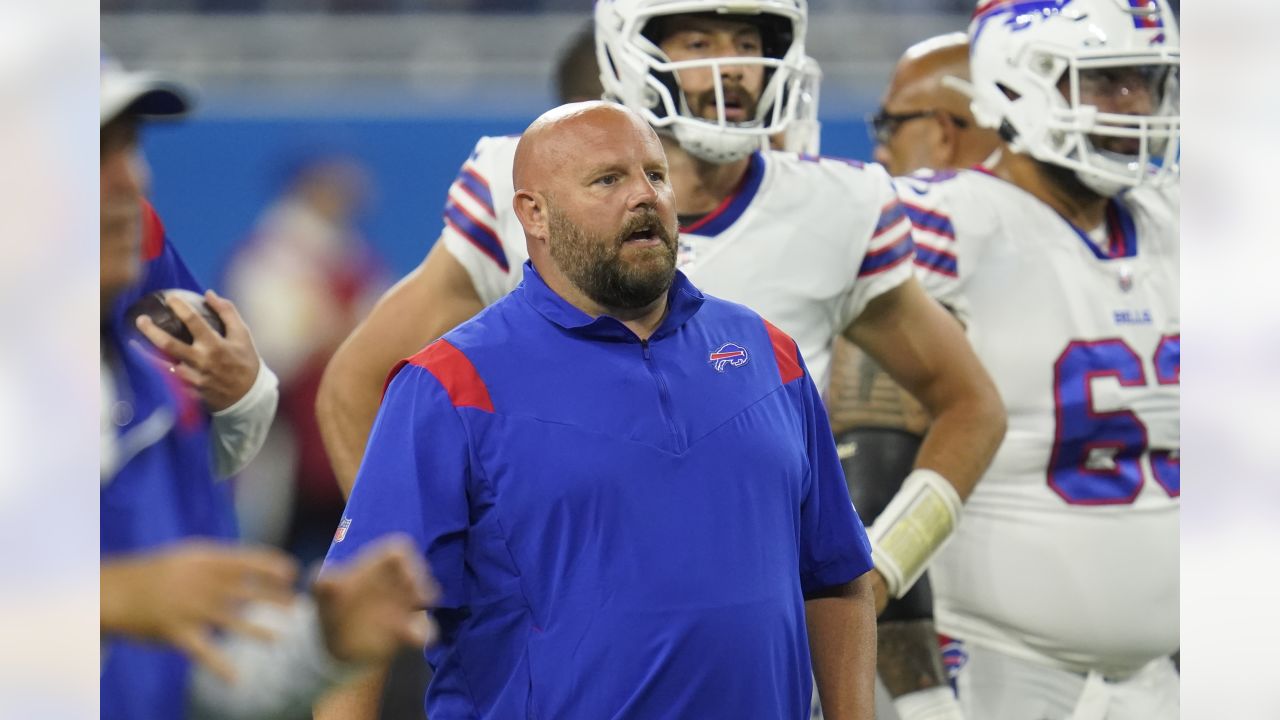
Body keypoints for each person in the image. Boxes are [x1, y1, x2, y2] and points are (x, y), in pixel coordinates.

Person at [316, 2, 1005, 638]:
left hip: (749, 647)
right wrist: (423, 585)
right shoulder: (518, 182)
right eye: (698, 41)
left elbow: (971, 406)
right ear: (628, 47)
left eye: (747, 41)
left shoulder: (838, 207)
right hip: (561, 652)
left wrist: (882, 568)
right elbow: (354, 385)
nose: (732, 66)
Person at [321, 100, 878, 719]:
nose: (645, 196)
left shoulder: (769, 354)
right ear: (534, 213)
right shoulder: (450, 386)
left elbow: (837, 579)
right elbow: (354, 620)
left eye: (655, 175)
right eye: (609, 179)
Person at [100, 55, 437, 720]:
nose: (130, 177)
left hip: (307, 451)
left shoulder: (147, 395)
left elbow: (204, 671)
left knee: (283, 586)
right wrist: (105, 600)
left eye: (129, 147)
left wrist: (324, 645)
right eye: (92, 151)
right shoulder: (272, 256)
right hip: (290, 458)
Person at [886, 1, 1181, 717]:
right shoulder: (947, 222)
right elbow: (868, 456)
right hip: (999, 668)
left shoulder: (1177, 220)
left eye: (1143, 81)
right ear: (1018, 85)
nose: (1131, 104)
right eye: (1105, 83)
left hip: (1157, 677)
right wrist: (912, 678)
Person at [824, 32, 1004, 720]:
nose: (879, 144)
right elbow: (872, 458)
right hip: (978, 647)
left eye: (889, 123)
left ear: (948, 128)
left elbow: (874, 465)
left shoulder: (935, 228)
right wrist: (922, 690)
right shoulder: (931, 222)